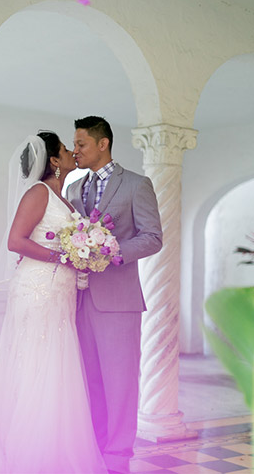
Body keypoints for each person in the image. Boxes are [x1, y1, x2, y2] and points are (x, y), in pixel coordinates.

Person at [0, 132, 106, 473]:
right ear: (53, 160)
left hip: (61, 290)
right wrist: (62, 257)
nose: (71, 154)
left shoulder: (63, 198)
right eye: (66, 150)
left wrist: (82, 254)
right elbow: (15, 240)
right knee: (38, 359)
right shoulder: (38, 193)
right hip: (39, 288)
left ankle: (52, 447)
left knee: (56, 361)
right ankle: (28, 452)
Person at [67, 116, 162, 473]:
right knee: (88, 380)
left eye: (81, 145)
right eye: (74, 145)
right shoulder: (74, 189)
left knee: (120, 382)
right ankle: (93, 450)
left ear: (102, 143)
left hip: (120, 301)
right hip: (78, 300)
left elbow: (153, 236)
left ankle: (119, 457)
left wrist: (112, 253)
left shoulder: (137, 185)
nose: (75, 151)